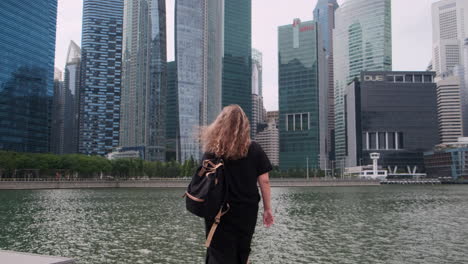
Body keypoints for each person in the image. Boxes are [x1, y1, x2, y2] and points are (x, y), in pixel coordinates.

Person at [200, 104, 274, 264]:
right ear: (244, 125)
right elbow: (265, 181)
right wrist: (267, 209)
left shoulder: (212, 150)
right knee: (242, 251)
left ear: (220, 124)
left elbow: (202, 179)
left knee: (217, 252)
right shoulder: (254, 149)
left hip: (217, 211)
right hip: (246, 212)